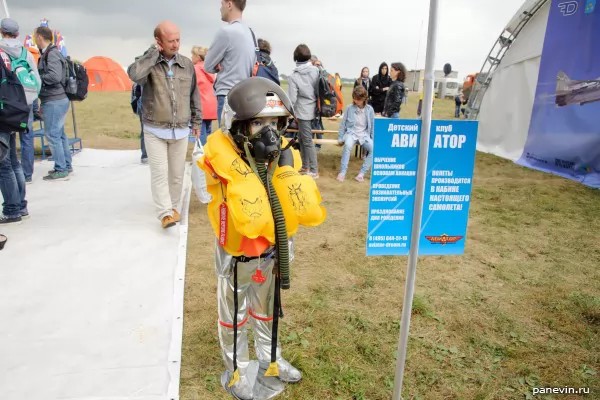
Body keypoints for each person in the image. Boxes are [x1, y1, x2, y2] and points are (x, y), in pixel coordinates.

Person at [198, 76, 326, 399]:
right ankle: (235, 368)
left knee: (268, 311)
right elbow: (209, 192)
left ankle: (272, 359)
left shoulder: (281, 158)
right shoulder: (222, 162)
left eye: (273, 122)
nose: (269, 132)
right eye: (258, 122)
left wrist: (287, 249)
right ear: (239, 127)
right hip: (236, 255)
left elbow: (287, 209)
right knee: (234, 316)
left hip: (269, 254)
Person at [128, 21, 202, 229]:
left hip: (180, 129)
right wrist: (153, 54)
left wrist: (196, 120)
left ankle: (175, 207)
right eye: (170, 41)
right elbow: (134, 74)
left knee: (177, 174)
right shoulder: (148, 62)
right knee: (159, 173)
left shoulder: (187, 65)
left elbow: (194, 94)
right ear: (159, 41)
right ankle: (165, 213)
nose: (176, 44)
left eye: (178, 39)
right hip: (154, 129)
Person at [0, 18, 40, 184]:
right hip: (27, 101)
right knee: (26, 138)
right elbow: (37, 80)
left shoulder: (1, 51)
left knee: (6, 147)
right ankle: (27, 174)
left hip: (7, 102)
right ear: (17, 33)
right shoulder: (27, 53)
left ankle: (11, 191)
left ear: (2, 31)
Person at [204, 0, 255, 126]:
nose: (220, 8)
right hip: (245, 95)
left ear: (229, 4)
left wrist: (219, 65)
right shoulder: (251, 33)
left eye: (222, 4)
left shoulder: (226, 32)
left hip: (227, 95)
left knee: (226, 139)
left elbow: (208, 65)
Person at [35, 26, 72, 181]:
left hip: (54, 100)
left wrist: (37, 76)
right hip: (57, 99)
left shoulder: (52, 54)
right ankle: (66, 165)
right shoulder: (50, 53)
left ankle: (61, 168)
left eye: (35, 36)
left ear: (40, 37)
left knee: (52, 134)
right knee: (60, 134)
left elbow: (55, 76)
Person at [0, 50, 28, 224]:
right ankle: (20, 205)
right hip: (9, 112)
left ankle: (11, 210)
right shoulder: (5, 54)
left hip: (2, 116)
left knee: (3, 166)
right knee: (12, 162)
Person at [287, 44, 320, 179]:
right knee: (302, 138)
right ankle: (305, 166)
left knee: (307, 140)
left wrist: (290, 111)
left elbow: (292, 98)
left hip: (302, 111)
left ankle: (314, 170)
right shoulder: (316, 70)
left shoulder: (293, 76)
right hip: (314, 108)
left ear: (295, 58)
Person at [336, 86, 375, 183]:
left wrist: (372, 139)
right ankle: (342, 172)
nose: (356, 101)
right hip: (351, 133)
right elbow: (343, 124)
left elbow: (372, 126)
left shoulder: (370, 110)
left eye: (358, 99)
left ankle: (361, 174)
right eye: (354, 98)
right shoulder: (349, 108)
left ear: (364, 99)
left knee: (373, 149)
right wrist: (340, 138)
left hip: (364, 135)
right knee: (347, 146)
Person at [191, 46, 217, 145]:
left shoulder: (195, 69)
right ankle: (208, 154)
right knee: (208, 130)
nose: (191, 57)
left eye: (192, 55)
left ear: (198, 57)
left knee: (200, 131)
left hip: (200, 104)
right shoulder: (209, 69)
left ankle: (202, 155)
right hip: (211, 104)